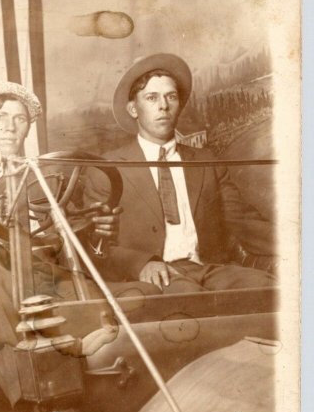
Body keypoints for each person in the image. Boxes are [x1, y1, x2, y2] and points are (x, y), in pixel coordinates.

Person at [0, 80, 139, 406]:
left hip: (44, 278)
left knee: (104, 305)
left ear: (28, 127)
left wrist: (99, 235)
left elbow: (73, 246)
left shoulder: (51, 176)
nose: (10, 127)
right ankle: (34, 403)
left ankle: (99, 409)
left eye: (20, 119)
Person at [84, 53, 275, 293]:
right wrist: (141, 263)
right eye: (151, 98)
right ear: (133, 108)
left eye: (171, 97)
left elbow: (243, 221)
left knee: (270, 289)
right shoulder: (108, 169)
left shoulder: (206, 162)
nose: (163, 106)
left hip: (209, 269)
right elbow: (96, 245)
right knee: (189, 300)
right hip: (153, 277)